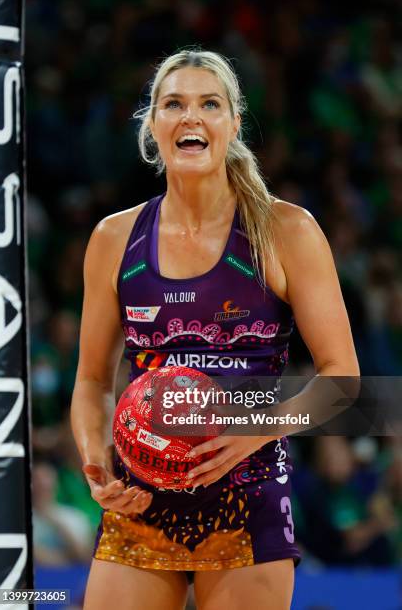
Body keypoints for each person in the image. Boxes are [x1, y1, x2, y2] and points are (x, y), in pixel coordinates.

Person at [71, 49, 359, 610]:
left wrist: (256, 430)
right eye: (173, 104)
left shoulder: (286, 230)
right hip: (142, 497)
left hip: (247, 497)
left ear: (233, 123)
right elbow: (90, 380)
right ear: (152, 125)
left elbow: (342, 378)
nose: (191, 117)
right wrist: (95, 462)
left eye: (210, 104)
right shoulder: (114, 237)